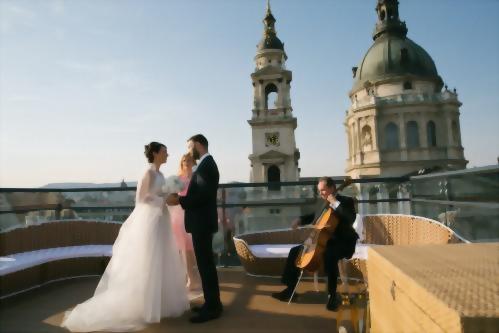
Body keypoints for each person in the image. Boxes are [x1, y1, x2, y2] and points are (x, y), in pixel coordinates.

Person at [61, 142, 189, 332]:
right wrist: (163, 198)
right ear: (155, 153)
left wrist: (170, 197)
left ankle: (159, 304)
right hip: (150, 223)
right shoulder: (148, 174)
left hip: (161, 220)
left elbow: (158, 196)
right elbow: (141, 199)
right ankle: (145, 305)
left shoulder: (161, 175)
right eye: (164, 152)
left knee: (161, 260)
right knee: (148, 261)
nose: (167, 154)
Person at [271, 177, 358, 312]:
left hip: (343, 242)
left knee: (330, 255)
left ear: (332, 188)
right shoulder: (323, 203)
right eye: (319, 191)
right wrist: (300, 219)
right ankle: (290, 289)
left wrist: (335, 202)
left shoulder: (346, 201)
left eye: (323, 190)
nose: (321, 193)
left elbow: (350, 218)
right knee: (295, 251)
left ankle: (332, 295)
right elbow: (314, 216)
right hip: (323, 241)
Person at [167, 134, 223, 324]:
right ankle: (211, 303)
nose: (188, 150)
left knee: (206, 266)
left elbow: (204, 196)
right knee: (205, 265)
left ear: (198, 145)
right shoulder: (206, 165)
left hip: (202, 223)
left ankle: (213, 308)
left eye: (190, 146)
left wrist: (179, 200)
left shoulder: (207, 166)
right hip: (202, 222)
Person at [168, 153, 202, 293]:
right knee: (183, 250)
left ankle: (197, 279)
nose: (186, 162)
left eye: (188, 160)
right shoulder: (177, 179)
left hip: (192, 216)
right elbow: (172, 197)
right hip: (178, 217)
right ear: (181, 163)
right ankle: (190, 279)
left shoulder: (197, 178)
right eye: (184, 160)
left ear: (194, 162)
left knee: (193, 250)